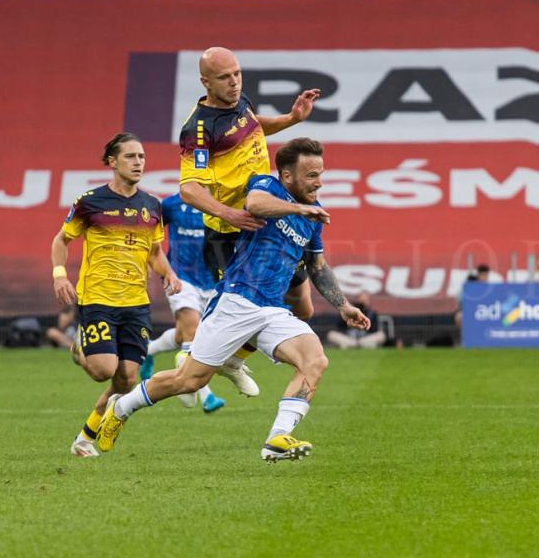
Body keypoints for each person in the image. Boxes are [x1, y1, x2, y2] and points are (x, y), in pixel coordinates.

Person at [96, 137, 370, 462]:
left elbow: (317, 266)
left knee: (315, 361)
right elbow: (254, 204)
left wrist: (344, 305)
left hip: (272, 310)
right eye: (310, 175)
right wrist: (299, 208)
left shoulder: (311, 216)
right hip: (236, 301)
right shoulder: (267, 185)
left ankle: (277, 439)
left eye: (320, 174)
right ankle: (122, 407)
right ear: (286, 176)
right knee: (189, 381)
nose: (318, 182)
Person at [177, 46, 321, 372]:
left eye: (237, 74)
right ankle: (190, 365)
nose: (234, 82)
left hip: (264, 218)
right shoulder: (198, 130)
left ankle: (235, 360)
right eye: (224, 77)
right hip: (229, 233)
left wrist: (291, 118)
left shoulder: (240, 101)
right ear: (205, 82)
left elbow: (254, 125)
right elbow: (188, 189)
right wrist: (228, 213)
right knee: (239, 315)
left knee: (303, 306)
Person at [50, 132, 183, 458]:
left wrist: (169, 273)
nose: (138, 162)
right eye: (130, 157)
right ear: (112, 161)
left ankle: (84, 438)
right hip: (97, 299)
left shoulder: (152, 206)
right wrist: (59, 276)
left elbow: (154, 252)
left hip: (136, 303)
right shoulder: (90, 202)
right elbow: (61, 241)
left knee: (127, 379)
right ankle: (81, 350)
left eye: (141, 157)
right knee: (102, 371)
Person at [139, 192, 254, 413]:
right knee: (193, 330)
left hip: (212, 279)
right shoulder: (172, 205)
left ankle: (149, 350)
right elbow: (150, 237)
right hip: (180, 278)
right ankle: (206, 395)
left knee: (186, 334)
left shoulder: (222, 204)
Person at [454, 264, 490, 328]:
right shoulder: (470, 285)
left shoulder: (489, 289)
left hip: (485, 312)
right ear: (478, 275)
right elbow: (458, 298)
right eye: (482, 275)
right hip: (470, 311)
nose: (484, 277)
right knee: (460, 317)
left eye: (485, 275)